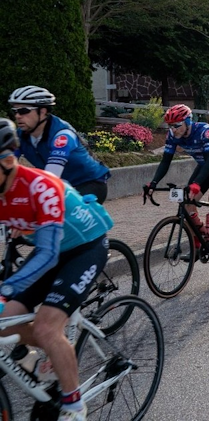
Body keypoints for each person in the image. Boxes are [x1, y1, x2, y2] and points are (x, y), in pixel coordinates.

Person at [0, 118, 113, 421]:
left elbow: (48, 254)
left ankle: (75, 406)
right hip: (53, 251)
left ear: (8, 161)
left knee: (46, 327)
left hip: (84, 248)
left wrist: (6, 288)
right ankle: (57, 351)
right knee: (5, 322)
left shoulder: (41, 186)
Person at [144, 105, 209, 253]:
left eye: (176, 125)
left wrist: (196, 184)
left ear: (187, 122)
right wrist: (153, 183)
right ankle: (198, 242)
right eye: (170, 126)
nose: (173, 129)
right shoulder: (173, 136)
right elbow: (165, 162)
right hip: (204, 165)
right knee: (187, 203)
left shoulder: (204, 131)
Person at [9, 86, 111, 202]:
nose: (18, 116)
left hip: (89, 183)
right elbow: (6, 165)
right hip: (63, 185)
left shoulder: (62, 135)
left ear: (42, 111)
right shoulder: (20, 136)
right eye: (15, 111)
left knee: (57, 214)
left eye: (23, 110)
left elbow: (51, 177)